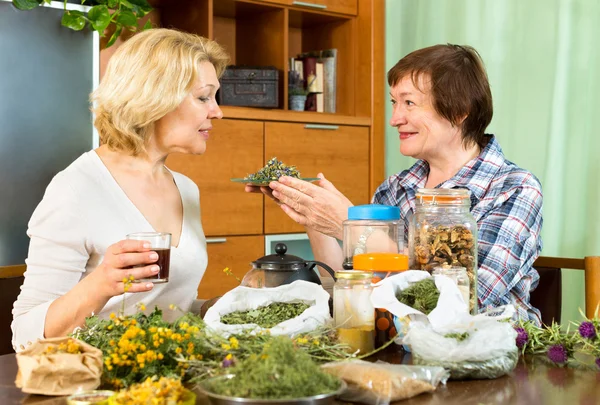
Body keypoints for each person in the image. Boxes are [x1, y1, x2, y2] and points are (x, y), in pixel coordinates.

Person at [250, 44, 544, 323]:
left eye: (409, 103)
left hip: (490, 358)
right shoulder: (396, 188)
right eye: (394, 102)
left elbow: (464, 301)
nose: (394, 119)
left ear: (459, 110)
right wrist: (311, 211)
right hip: (401, 347)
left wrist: (350, 224)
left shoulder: (513, 189)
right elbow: (353, 286)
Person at [11, 29, 229, 350]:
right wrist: (101, 284)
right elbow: (25, 336)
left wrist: (212, 307)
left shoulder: (186, 190)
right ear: (156, 97)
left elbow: (163, 308)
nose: (217, 111)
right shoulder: (76, 189)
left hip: (162, 381)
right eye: (203, 97)